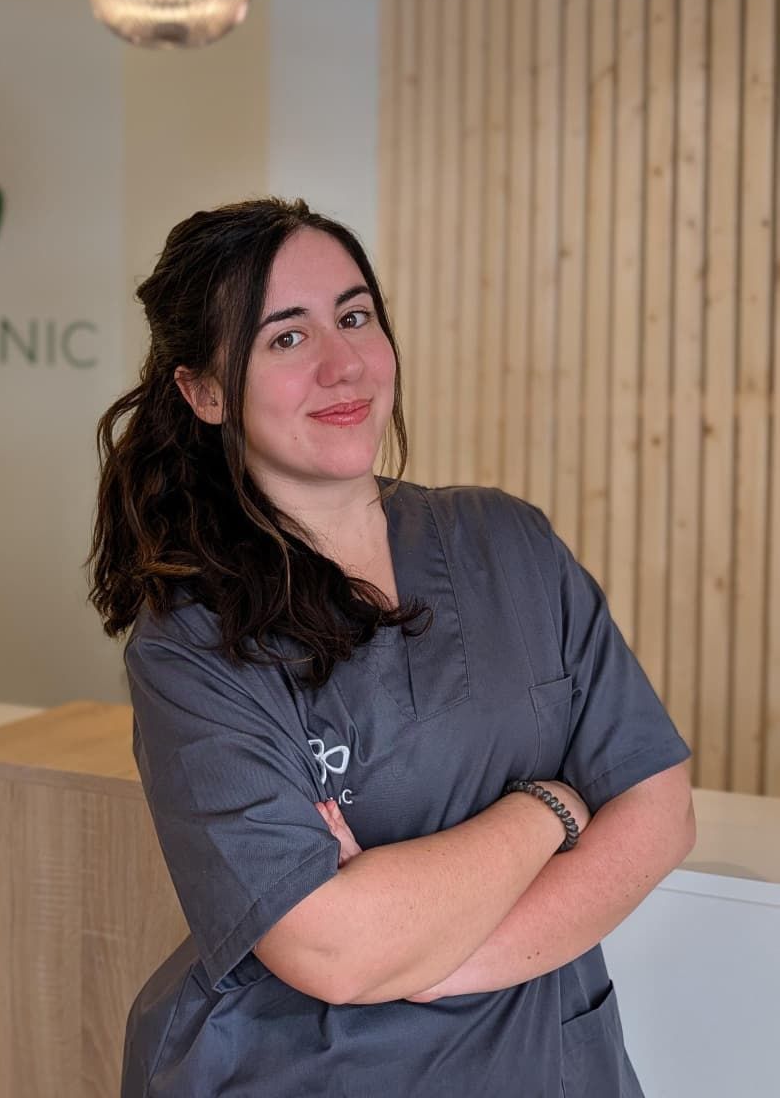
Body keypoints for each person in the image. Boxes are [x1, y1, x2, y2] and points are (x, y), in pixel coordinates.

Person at [88, 197, 695, 1098]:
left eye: (356, 316)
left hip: (549, 1064)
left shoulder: (507, 543)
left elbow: (659, 811)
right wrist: (552, 810)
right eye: (285, 339)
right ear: (204, 391)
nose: (344, 364)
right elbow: (330, 948)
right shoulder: (192, 642)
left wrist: (428, 963)